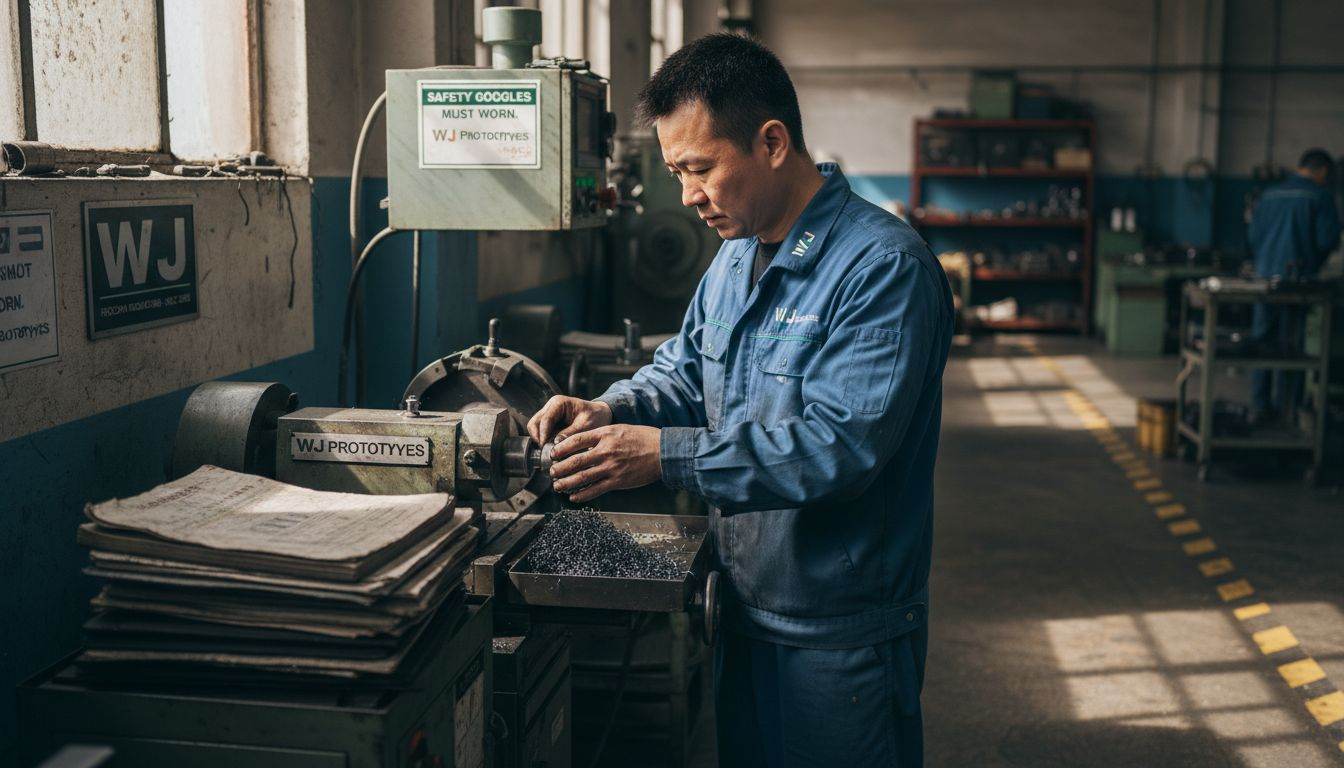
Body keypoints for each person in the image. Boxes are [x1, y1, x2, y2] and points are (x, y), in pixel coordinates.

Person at [528, 33, 953, 767]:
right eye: (675, 172)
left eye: (700, 168)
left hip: (840, 635)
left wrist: (666, 456)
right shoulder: (732, 257)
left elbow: (840, 448)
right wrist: (611, 409)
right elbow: (685, 372)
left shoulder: (883, 268)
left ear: (773, 142)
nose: (688, 196)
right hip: (743, 611)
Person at [1246, 148, 1341, 423]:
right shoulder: (1320, 197)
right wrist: (1312, 262)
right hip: (1299, 285)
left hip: (1264, 282)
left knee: (1262, 344)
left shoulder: (1269, 195)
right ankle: (1287, 410)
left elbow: (1253, 237)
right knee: (1293, 348)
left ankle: (1259, 407)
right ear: (1322, 171)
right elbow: (1326, 241)